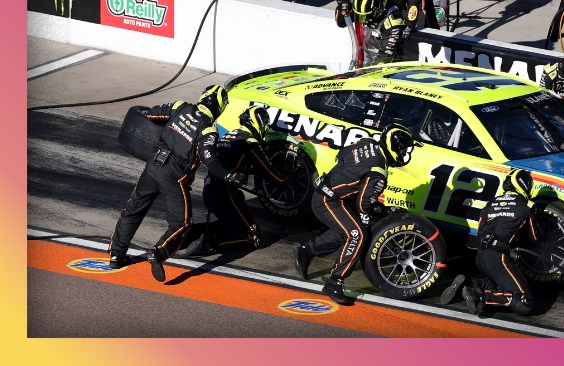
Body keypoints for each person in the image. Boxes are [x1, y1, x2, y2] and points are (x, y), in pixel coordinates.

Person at [108, 85, 229, 282]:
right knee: (181, 224)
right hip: (174, 176)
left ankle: (116, 255)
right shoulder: (208, 129)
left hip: (153, 165)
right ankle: (158, 252)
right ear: (219, 107)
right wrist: (227, 176)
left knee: (133, 210)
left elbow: (150, 115)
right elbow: (210, 160)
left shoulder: (181, 106)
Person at [293, 126, 416, 305]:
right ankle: (335, 281)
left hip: (329, 193)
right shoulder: (378, 171)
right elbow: (365, 205)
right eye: (403, 148)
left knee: (352, 228)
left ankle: (307, 252)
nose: (405, 153)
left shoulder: (368, 143)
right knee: (357, 235)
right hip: (328, 200)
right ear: (394, 147)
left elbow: (343, 154)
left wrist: (343, 178)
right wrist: (385, 211)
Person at [182, 105, 293, 255]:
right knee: (254, 237)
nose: (266, 128)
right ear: (257, 122)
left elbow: (235, 163)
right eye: (265, 123)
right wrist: (285, 182)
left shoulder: (229, 135)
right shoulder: (249, 141)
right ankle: (209, 242)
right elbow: (268, 172)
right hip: (226, 195)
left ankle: (189, 234)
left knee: (228, 224)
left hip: (209, 193)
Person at [455, 169, 539, 318]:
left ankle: (473, 286)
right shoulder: (528, 204)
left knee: (503, 285)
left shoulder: (491, 203)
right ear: (523, 184)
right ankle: (478, 294)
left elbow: (479, 231)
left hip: (480, 256)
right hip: (498, 258)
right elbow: (535, 238)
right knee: (526, 303)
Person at [337, 0, 409, 66]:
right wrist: (342, 5)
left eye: (365, 16)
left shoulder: (393, 23)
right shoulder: (366, 8)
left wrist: (363, 74)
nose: (364, 20)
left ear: (379, 9)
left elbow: (384, 59)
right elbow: (342, 22)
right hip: (369, 58)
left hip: (389, 68)